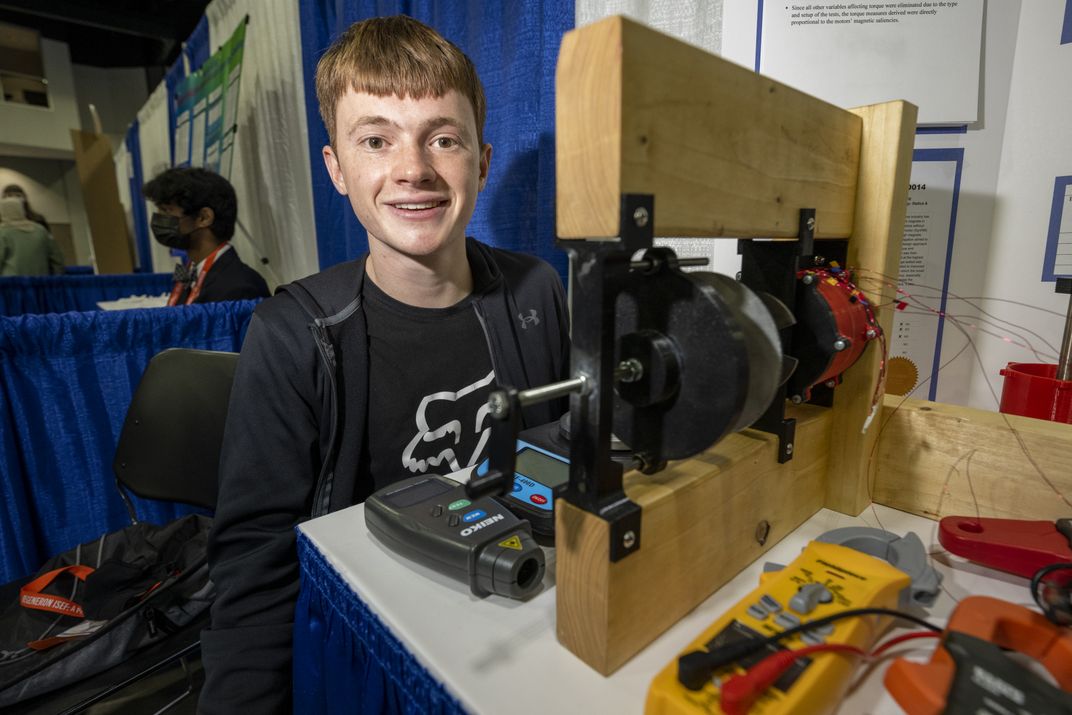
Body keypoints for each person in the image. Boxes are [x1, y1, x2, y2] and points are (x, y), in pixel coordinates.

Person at [198, 15, 570, 713]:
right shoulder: (294, 333)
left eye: (444, 138)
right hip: (374, 652)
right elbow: (256, 565)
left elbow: (551, 463)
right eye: (376, 139)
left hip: (515, 623)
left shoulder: (537, 291)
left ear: (482, 162)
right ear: (337, 167)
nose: (414, 169)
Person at [142, 167, 270, 304]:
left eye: (167, 210)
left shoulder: (241, 288)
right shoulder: (191, 273)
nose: (158, 218)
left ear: (204, 218)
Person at [0, 196, 64, 276]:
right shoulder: (41, 230)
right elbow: (57, 259)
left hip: (12, 285)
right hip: (41, 283)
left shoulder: (2, 232)